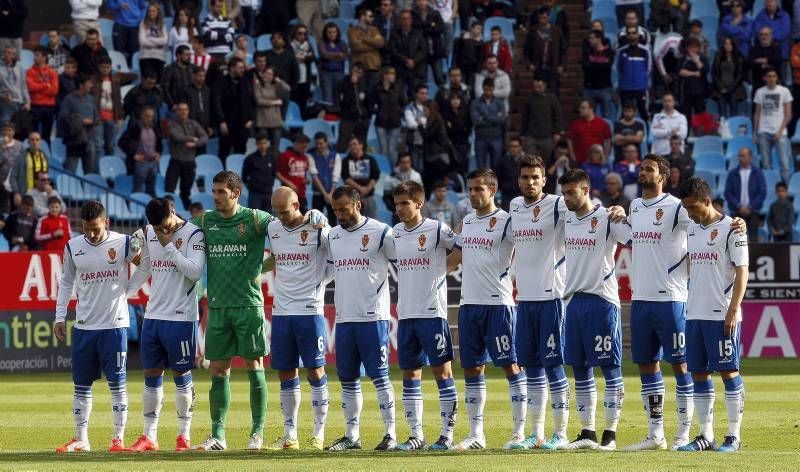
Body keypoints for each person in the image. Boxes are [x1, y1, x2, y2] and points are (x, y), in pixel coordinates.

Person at [190, 171, 324, 452]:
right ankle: (218, 436)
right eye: (213, 192)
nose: (215, 197)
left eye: (221, 192)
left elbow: (291, 227)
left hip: (249, 305)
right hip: (217, 305)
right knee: (217, 369)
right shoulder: (206, 220)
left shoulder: (256, 219)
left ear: (235, 193)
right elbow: (178, 227)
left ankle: (257, 434)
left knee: (254, 366)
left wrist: (315, 216)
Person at [444, 168, 527, 451]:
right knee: (472, 368)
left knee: (510, 365)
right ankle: (476, 434)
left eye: (479, 189)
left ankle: (519, 432)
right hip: (469, 305)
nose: (473, 194)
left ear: (492, 190)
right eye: (470, 189)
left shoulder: (507, 222)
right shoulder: (467, 221)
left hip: (499, 304)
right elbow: (454, 258)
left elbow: (533, 244)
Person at [54, 200, 139, 453]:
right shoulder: (73, 247)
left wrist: (128, 291)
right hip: (83, 327)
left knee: (118, 385)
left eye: (96, 228)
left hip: (114, 327)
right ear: (81, 225)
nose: (92, 234)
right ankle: (81, 439)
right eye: (87, 228)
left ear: (107, 223)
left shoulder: (123, 243)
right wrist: (60, 317)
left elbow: (145, 265)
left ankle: (117, 439)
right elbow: (66, 283)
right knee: (81, 385)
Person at [123, 197, 205, 452]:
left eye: (163, 226)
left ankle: (184, 436)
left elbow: (194, 271)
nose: (160, 232)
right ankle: (149, 437)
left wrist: (169, 246)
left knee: (181, 375)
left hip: (181, 316)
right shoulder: (149, 232)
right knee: (151, 375)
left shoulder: (193, 234)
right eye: (155, 228)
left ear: (173, 211)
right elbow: (145, 266)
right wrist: (123, 295)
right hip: (154, 316)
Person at [558, 168, 631, 451]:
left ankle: (610, 435)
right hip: (573, 301)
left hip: (601, 301)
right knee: (580, 368)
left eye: (571, 193)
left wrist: (622, 211)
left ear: (586, 191)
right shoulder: (565, 218)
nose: (566, 198)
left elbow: (632, 236)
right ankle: (587, 432)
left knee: (610, 367)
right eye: (563, 193)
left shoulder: (606, 218)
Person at [502, 155, 571, 451]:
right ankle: (536, 433)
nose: (529, 182)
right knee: (532, 368)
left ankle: (561, 434)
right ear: (518, 180)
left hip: (552, 297)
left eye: (535, 177)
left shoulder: (558, 204)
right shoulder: (514, 206)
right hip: (524, 299)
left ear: (545, 180)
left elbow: (587, 212)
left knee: (554, 366)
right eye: (525, 177)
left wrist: (614, 210)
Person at [676, 177, 748, 453]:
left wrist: (733, 310)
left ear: (707, 201)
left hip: (722, 314)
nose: (690, 214)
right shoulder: (692, 229)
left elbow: (742, 271)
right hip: (694, 313)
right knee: (699, 374)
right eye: (687, 209)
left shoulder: (733, 229)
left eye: (693, 207)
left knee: (729, 372)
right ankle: (705, 435)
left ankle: (733, 435)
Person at [324, 185, 398, 451]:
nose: (339, 215)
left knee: (379, 377)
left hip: (373, 317)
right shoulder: (332, 236)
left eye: (343, 209)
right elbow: (329, 271)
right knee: (348, 379)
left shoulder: (380, 232)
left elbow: (403, 262)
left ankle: (391, 433)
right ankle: (351, 435)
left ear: (358, 205)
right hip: (344, 318)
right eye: (335, 210)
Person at [390, 180, 459, 450]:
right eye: (396, 204)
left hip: (433, 313)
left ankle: (446, 435)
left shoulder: (436, 229)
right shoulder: (395, 232)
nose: (400, 209)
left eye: (405, 203)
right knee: (410, 375)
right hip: (406, 314)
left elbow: (461, 248)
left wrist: (445, 269)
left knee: (442, 373)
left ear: (418, 204)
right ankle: (416, 435)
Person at [262, 187, 332, 450]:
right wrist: (256, 268)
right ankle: (290, 434)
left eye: (285, 211)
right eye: (276, 212)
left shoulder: (318, 228)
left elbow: (338, 258)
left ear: (298, 204)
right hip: (281, 312)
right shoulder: (274, 229)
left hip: (309, 311)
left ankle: (318, 433)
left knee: (315, 371)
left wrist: (322, 280)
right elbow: (277, 259)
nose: (281, 217)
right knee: (285, 372)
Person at [754, 66, 793, 183]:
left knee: (784, 164)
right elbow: (757, 114)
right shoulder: (760, 92)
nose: (771, 78)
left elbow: (788, 114)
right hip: (763, 131)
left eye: (774, 76)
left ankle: (785, 190)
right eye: (769, 76)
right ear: (764, 78)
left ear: (777, 77)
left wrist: (780, 131)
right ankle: (770, 189)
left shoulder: (784, 91)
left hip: (780, 132)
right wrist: (755, 133)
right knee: (766, 165)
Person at [167, 102, 208, 209]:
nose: (183, 112)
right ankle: (166, 212)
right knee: (169, 188)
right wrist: (192, 138)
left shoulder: (193, 123)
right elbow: (176, 137)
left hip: (189, 162)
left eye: (185, 109)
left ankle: (185, 212)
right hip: (176, 161)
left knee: (186, 191)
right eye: (181, 109)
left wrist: (195, 143)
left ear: (188, 111)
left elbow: (204, 137)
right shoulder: (172, 123)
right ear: (176, 111)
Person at [93, 57, 135, 157]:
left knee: (110, 145)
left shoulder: (115, 80)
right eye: (103, 67)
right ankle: (98, 169)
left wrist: (120, 117)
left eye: (107, 67)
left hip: (111, 117)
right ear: (99, 67)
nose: (105, 69)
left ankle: (108, 165)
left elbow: (117, 100)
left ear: (111, 67)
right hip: (98, 117)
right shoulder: (94, 80)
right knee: (98, 145)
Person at [724, 147, 767, 242]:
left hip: (753, 211)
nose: (740, 158)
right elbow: (728, 192)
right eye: (739, 156)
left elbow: (762, 192)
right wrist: (738, 206)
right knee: (735, 240)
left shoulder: (758, 173)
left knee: (753, 239)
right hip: (736, 210)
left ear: (750, 157)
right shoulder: (732, 173)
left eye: (743, 156)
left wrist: (750, 206)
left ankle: (753, 257)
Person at [58, 74, 98, 175]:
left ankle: (87, 190)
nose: (91, 85)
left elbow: (96, 116)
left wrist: (95, 122)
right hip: (74, 140)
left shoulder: (91, 99)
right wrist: (81, 121)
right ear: (81, 85)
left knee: (89, 173)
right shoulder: (69, 99)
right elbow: (63, 118)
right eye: (89, 83)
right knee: (70, 171)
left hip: (89, 139)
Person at [217, 57, 253, 162]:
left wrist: (251, 119)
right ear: (232, 68)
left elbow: (250, 101)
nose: (243, 70)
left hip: (243, 125)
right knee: (224, 152)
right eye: (240, 67)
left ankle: (237, 176)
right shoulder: (222, 81)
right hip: (227, 124)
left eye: (243, 67)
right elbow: (217, 102)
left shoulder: (245, 82)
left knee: (240, 152)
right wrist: (221, 121)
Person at [119, 106, 162, 196]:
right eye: (147, 116)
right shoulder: (134, 128)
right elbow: (122, 142)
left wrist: (158, 153)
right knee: (138, 190)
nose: (149, 119)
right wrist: (133, 154)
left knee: (151, 190)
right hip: (141, 163)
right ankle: (137, 208)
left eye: (151, 116)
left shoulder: (155, 128)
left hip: (153, 163)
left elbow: (159, 144)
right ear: (141, 116)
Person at [524, 6, 566, 95]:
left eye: (544, 18)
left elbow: (563, 50)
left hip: (553, 68)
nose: (542, 20)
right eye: (540, 18)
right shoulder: (533, 31)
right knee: (538, 94)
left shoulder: (557, 31)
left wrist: (562, 65)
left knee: (553, 94)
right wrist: (529, 64)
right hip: (538, 68)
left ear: (549, 17)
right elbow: (526, 50)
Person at [370, 66, 405, 166]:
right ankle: (384, 171)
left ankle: (394, 171)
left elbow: (403, 102)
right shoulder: (376, 88)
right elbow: (370, 105)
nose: (393, 76)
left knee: (392, 149)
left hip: (395, 122)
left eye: (394, 74)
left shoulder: (398, 88)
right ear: (385, 75)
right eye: (391, 74)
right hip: (381, 122)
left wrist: (399, 112)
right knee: (383, 150)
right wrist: (378, 112)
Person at [388, 10, 427, 100]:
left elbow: (423, 50)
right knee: (399, 96)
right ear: (400, 20)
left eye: (408, 18)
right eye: (403, 19)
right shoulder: (394, 34)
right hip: (400, 69)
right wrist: (406, 60)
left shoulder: (418, 33)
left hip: (415, 69)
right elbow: (393, 51)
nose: (406, 21)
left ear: (411, 20)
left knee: (414, 96)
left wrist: (414, 61)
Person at [522, 74, 562, 160]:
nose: (537, 88)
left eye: (539, 86)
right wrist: (523, 133)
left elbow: (557, 116)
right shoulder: (530, 99)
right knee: (529, 161)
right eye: (535, 86)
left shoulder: (552, 98)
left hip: (547, 136)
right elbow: (525, 117)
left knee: (547, 161)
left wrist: (557, 132)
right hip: (531, 135)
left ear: (545, 85)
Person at [616, 26, 652, 121]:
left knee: (644, 113)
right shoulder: (621, 51)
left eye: (634, 33)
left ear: (638, 35)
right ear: (626, 35)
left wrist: (641, 79)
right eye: (629, 33)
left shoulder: (645, 51)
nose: (632, 35)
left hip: (640, 87)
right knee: (624, 114)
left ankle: (647, 134)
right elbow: (619, 68)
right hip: (625, 88)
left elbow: (648, 69)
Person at [341, 135, 381, 218]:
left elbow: (375, 175)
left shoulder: (370, 159)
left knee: (372, 224)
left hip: (369, 197)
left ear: (361, 145)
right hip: (352, 198)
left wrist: (367, 189)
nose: (352, 147)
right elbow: (346, 177)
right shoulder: (345, 161)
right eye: (350, 145)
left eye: (355, 144)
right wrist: (360, 188)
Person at [470, 78, 506, 169]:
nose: (488, 92)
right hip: (480, 138)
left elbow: (501, 120)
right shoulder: (475, 103)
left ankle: (495, 184)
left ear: (493, 88)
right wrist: (494, 118)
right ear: (482, 88)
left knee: (496, 167)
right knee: (481, 168)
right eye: (486, 90)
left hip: (496, 138)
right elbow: (476, 121)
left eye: (490, 90)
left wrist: (485, 116)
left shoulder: (500, 103)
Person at [252, 63, 290, 150]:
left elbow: (287, 89)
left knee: (275, 147)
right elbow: (259, 101)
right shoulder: (257, 84)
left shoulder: (276, 85)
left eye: (270, 74)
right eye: (266, 73)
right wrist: (274, 102)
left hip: (276, 119)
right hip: (262, 119)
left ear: (274, 76)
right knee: (262, 147)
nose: (267, 75)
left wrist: (279, 81)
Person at [26, 46, 59, 145]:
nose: (34, 58)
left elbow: (54, 90)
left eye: (37, 55)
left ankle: (46, 156)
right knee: (33, 135)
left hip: (49, 107)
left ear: (44, 57)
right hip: (35, 106)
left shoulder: (52, 72)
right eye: (34, 55)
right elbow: (31, 87)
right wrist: (45, 85)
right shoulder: (30, 71)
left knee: (46, 135)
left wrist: (39, 88)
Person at [336, 63, 370, 153]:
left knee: (362, 146)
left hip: (362, 120)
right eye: (355, 71)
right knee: (342, 145)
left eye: (359, 72)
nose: (356, 74)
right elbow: (343, 101)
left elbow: (368, 102)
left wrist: (366, 116)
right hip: (347, 119)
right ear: (351, 70)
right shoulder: (343, 83)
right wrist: (352, 85)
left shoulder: (364, 84)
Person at [349, 7, 385, 92]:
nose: (372, 18)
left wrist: (364, 39)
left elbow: (380, 43)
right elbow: (356, 46)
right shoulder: (352, 31)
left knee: (373, 93)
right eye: (370, 16)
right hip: (359, 66)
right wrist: (373, 45)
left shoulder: (375, 30)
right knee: (360, 92)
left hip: (373, 66)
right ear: (362, 17)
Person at [309, 131, 341, 225]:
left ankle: (332, 239)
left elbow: (336, 176)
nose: (319, 146)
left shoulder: (335, 156)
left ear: (326, 143)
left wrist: (330, 194)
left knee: (333, 222)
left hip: (332, 194)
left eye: (321, 143)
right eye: (317, 144)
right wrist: (325, 194)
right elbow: (314, 176)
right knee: (315, 223)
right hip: (318, 193)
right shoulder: (311, 155)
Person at [413, 0, 447, 87]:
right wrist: (430, 24)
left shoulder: (435, 13)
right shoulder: (413, 13)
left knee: (439, 78)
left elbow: (441, 28)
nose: (421, 2)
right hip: (421, 52)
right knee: (421, 79)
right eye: (419, 0)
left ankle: (442, 97)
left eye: (423, 0)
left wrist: (425, 29)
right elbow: (414, 28)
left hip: (435, 50)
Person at [566, 98, 611, 164]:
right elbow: (569, 140)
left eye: (583, 108)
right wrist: (572, 155)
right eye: (580, 108)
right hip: (580, 160)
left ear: (591, 109)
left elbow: (608, 140)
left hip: (597, 161)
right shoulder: (575, 124)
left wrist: (606, 156)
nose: (580, 110)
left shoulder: (603, 123)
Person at [582, 31, 615, 119]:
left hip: (605, 88)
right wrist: (601, 62)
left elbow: (607, 66)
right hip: (589, 89)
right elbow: (585, 66)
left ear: (599, 39)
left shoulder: (609, 52)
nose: (590, 40)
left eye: (592, 38)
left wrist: (593, 62)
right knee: (588, 117)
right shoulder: (587, 52)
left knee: (607, 117)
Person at [712, 38, 748, 118]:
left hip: (734, 88)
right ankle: (722, 128)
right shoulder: (718, 56)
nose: (727, 46)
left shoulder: (739, 58)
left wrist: (729, 89)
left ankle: (732, 129)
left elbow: (740, 75)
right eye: (726, 44)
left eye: (729, 44)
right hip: (720, 88)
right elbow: (714, 72)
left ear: (733, 45)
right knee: (722, 114)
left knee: (734, 113)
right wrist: (721, 87)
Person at [241, 133, 276, 212]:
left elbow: (273, 174)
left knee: (268, 220)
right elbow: (244, 176)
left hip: (268, 193)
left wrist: (269, 184)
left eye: (264, 143)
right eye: (260, 143)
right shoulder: (250, 159)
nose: (263, 146)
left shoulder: (272, 158)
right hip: (255, 194)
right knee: (254, 219)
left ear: (267, 143)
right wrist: (251, 187)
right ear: (256, 144)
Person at [277, 134, 312, 213]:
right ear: (296, 144)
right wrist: (288, 183)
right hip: (288, 195)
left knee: (303, 219)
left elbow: (304, 174)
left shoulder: (305, 157)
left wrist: (307, 180)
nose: (304, 150)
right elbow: (277, 173)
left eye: (306, 147)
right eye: (302, 147)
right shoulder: (285, 156)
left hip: (301, 194)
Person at [677, 38, 709, 123]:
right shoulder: (683, 59)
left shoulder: (702, 59)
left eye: (695, 47)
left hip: (699, 92)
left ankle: (700, 134)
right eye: (691, 47)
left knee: (700, 116)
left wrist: (697, 61)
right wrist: (694, 73)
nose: (693, 49)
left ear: (699, 48)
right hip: (686, 92)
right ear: (687, 48)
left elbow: (704, 70)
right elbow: (680, 72)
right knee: (686, 117)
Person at [11, 132, 48, 205]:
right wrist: (16, 192)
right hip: (26, 193)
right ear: (28, 142)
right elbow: (13, 176)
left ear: (40, 141)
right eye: (32, 140)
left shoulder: (44, 156)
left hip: (41, 194)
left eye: (37, 140)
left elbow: (46, 174)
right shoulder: (21, 157)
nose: (35, 142)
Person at [107, 0, 147, 66]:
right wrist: (119, 6)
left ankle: (132, 73)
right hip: (119, 24)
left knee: (134, 53)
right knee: (119, 52)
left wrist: (141, 19)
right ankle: (120, 72)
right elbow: (109, 6)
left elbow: (144, 7)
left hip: (135, 25)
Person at [441, 91, 471, 176]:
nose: (455, 101)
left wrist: (453, 127)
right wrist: (461, 127)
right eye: (453, 99)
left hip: (463, 144)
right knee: (451, 169)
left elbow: (467, 130)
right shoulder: (445, 114)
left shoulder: (466, 114)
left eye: (457, 98)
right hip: (451, 145)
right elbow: (447, 130)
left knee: (463, 169)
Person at [319, 22, 349, 107]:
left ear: (337, 32)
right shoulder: (322, 42)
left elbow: (345, 56)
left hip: (339, 73)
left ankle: (338, 116)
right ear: (325, 33)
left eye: (334, 32)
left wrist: (330, 55)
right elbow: (324, 55)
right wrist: (337, 54)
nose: (332, 34)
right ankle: (328, 118)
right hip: (326, 73)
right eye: (329, 32)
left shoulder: (341, 43)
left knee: (338, 97)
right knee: (327, 97)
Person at [0, 45, 30, 126]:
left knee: (26, 126)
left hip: (20, 102)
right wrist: (2, 96)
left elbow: (24, 87)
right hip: (6, 102)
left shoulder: (20, 68)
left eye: (9, 53)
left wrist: (28, 102)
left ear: (14, 55)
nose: (6, 54)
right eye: (5, 52)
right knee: (5, 121)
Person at [749, 27, 783, 95]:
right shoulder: (754, 49)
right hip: (758, 84)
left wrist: (762, 60)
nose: (763, 36)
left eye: (766, 34)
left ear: (771, 35)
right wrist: (763, 65)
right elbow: (750, 63)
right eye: (761, 34)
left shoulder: (776, 48)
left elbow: (777, 60)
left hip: (773, 84)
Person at [452, 20, 484, 91]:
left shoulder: (481, 43)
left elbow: (480, 58)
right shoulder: (462, 39)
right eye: (477, 28)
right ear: (472, 28)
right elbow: (456, 53)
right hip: (461, 68)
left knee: (470, 88)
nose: (479, 31)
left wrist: (478, 70)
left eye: (481, 29)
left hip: (472, 69)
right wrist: (454, 65)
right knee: (461, 88)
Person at [494, 137, 524, 211]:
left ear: (520, 147)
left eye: (515, 146)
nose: (512, 149)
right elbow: (497, 177)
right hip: (506, 195)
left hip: (522, 194)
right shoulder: (502, 161)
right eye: (510, 146)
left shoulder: (525, 161)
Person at [162, 45, 194, 112]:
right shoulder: (170, 69)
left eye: (189, 55)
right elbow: (165, 88)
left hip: (192, 105)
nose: (189, 57)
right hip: (177, 105)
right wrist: (172, 104)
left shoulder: (193, 68)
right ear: (179, 56)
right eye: (186, 55)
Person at [0, 121, 22, 211]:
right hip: (1, 181)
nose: (7, 133)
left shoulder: (19, 145)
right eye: (5, 130)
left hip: (14, 181)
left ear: (13, 132)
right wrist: (2, 147)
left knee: (14, 207)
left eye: (9, 130)